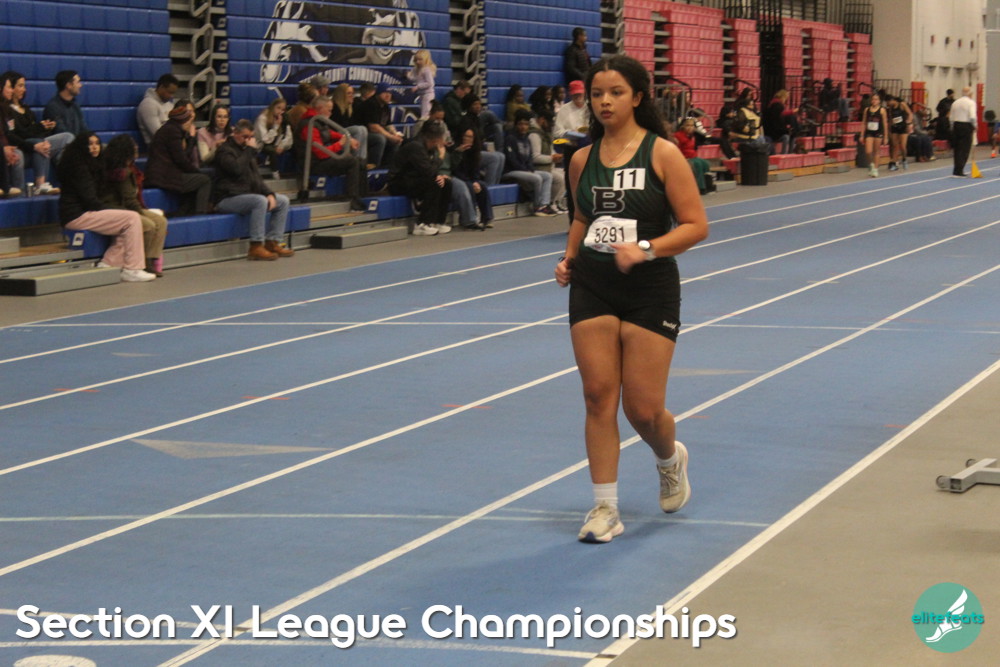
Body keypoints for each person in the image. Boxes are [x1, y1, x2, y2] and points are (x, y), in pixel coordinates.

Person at [554, 55, 708, 543]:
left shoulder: (663, 154)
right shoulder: (581, 160)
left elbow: (695, 226)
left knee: (643, 409)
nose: (604, 101)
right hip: (594, 284)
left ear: (637, 97)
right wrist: (569, 257)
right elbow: (582, 217)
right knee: (598, 395)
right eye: (598, 93)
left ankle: (669, 458)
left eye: (616, 92)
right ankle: (605, 507)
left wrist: (645, 249)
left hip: (649, 288)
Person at [57, 132, 156, 282]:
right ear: (82, 146)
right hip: (77, 215)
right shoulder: (78, 168)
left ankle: (109, 263)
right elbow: (90, 200)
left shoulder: (94, 165)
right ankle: (132, 268)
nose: (94, 147)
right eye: (90, 144)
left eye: (97, 143)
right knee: (131, 218)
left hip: (85, 212)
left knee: (127, 222)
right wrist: (117, 210)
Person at [213, 119, 294, 261]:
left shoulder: (247, 153)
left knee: (282, 201)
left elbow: (256, 178)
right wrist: (250, 150)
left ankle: (273, 241)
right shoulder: (225, 151)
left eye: (250, 137)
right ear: (235, 134)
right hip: (227, 198)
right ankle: (256, 245)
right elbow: (236, 170)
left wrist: (269, 193)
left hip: (245, 195)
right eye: (245, 137)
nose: (248, 140)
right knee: (259, 201)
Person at [101, 134, 168, 277]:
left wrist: (143, 211)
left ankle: (150, 259)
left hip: (127, 207)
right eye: (133, 146)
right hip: (117, 208)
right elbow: (129, 200)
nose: (137, 147)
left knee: (161, 221)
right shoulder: (121, 173)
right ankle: (140, 261)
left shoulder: (130, 169)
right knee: (149, 224)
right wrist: (142, 213)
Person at [1, 71, 74, 194]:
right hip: (22, 146)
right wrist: (38, 130)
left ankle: (65, 180)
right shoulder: (7, 110)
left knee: (67, 137)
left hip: (31, 145)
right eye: (20, 86)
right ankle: (35, 186)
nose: (23, 89)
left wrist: (44, 128)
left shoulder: (26, 108)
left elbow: (31, 132)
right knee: (39, 145)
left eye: (24, 86)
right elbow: (15, 134)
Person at [297, 96, 367, 210]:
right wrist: (340, 144)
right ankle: (352, 198)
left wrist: (348, 139)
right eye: (329, 110)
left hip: (321, 160)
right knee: (352, 161)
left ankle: (362, 196)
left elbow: (329, 133)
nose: (331, 113)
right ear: (320, 108)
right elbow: (321, 153)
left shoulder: (318, 121)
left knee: (361, 162)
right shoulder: (308, 125)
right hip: (313, 163)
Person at [144, 101, 212, 215]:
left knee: (195, 179)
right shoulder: (173, 131)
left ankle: (185, 212)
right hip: (163, 176)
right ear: (184, 121)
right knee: (204, 180)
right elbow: (181, 159)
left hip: (165, 174)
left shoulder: (170, 129)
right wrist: (191, 138)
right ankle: (200, 215)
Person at [388, 120, 453, 236]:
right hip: (398, 182)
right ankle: (422, 223)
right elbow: (428, 171)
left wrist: (439, 176)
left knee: (446, 183)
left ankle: (438, 221)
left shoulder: (429, 148)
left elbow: (429, 169)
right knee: (434, 183)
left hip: (415, 178)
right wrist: (441, 156)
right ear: (435, 139)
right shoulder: (415, 146)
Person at [502, 109, 556, 216]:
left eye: (526, 124)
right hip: (511, 171)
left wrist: (530, 169)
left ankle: (544, 205)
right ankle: (537, 206)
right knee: (536, 178)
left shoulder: (526, 139)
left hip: (525, 170)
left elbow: (529, 158)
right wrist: (526, 170)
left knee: (547, 176)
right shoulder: (510, 138)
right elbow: (511, 160)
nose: (523, 127)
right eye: (520, 124)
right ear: (516, 125)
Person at [446, 120, 493, 230]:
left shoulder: (474, 152)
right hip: (457, 177)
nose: (467, 139)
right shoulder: (454, 149)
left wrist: (475, 181)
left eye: (470, 137)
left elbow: (475, 170)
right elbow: (454, 169)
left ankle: (487, 218)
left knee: (482, 186)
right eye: (466, 136)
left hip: (468, 178)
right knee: (469, 186)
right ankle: (470, 218)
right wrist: (471, 182)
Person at [355, 83, 404, 168]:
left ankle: (388, 167)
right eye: (385, 93)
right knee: (380, 139)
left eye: (390, 93)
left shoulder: (385, 106)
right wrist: (390, 137)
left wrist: (395, 133)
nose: (388, 95)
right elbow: (373, 127)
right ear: (378, 93)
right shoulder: (371, 104)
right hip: (362, 134)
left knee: (396, 141)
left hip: (374, 133)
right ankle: (373, 167)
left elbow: (388, 124)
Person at [529, 108, 566, 211]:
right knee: (559, 179)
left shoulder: (545, 133)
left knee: (566, 174)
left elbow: (550, 150)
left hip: (547, 165)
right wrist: (552, 158)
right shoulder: (534, 135)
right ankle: (550, 203)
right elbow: (535, 157)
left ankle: (557, 202)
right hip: (537, 168)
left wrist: (556, 156)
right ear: (542, 120)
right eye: (549, 122)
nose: (550, 125)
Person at [329, 84, 368, 166]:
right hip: (335, 135)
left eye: (352, 93)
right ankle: (356, 161)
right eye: (349, 93)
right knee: (359, 129)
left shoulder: (348, 109)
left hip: (345, 134)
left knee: (363, 129)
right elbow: (334, 129)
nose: (352, 96)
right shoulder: (334, 108)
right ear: (341, 95)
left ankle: (362, 161)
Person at [43, 70, 90, 138]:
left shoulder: (75, 105)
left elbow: (84, 129)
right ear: (69, 85)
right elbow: (62, 133)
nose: (80, 85)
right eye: (78, 82)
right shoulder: (53, 107)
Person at [137, 74, 180, 146]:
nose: (171, 96)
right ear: (161, 87)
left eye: (173, 93)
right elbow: (158, 134)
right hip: (157, 149)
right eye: (169, 92)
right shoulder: (148, 105)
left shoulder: (169, 105)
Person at [254, 97, 294, 174]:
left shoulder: (284, 118)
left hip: (276, 143)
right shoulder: (262, 118)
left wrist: (281, 146)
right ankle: (275, 172)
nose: (280, 111)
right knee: (271, 150)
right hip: (261, 144)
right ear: (272, 107)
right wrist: (276, 126)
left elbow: (289, 136)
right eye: (278, 108)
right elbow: (265, 140)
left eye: (283, 110)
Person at [0, 76, 25, 197]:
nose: (12, 90)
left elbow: (8, 133)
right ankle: (5, 188)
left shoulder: (5, 108)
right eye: (9, 87)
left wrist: (7, 148)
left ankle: (18, 193)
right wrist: (3, 148)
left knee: (17, 154)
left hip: (4, 146)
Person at [674, 117, 712, 194]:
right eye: (688, 125)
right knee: (697, 164)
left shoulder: (692, 136)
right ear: (683, 126)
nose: (690, 127)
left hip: (693, 157)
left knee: (705, 163)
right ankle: (700, 187)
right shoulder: (677, 136)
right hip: (684, 158)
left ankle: (708, 185)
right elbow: (676, 150)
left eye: (692, 125)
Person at [948, 86, 977, 177]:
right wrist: (975, 126)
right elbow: (972, 117)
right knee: (964, 149)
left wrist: (952, 127)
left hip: (956, 125)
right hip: (966, 126)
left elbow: (951, 117)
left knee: (957, 149)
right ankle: (960, 170)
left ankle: (956, 169)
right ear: (970, 93)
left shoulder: (955, 102)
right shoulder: (971, 103)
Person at [861, 92, 888, 177]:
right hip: (869, 132)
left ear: (879, 101)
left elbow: (885, 123)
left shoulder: (882, 110)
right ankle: (871, 164)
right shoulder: (867, 110)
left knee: (876, 151)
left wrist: (886, 136)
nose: (874, 101)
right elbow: (864, 122)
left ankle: (875, 169)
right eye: (873, 99)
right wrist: (862, 135)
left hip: (878, 132)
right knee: (868, 151)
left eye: (876, 99)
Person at [407, 49, 437, 119]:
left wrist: (418, 87)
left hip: (428, 94)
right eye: (416, 60)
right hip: (422, 94)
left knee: (425, 114)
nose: (418, 62)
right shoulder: (417, 69)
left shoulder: (426, 70)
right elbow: (416, 78)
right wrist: (408, 76)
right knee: (424, 112)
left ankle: (426, 124)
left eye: (420, 60)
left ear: (425, 60)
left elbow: (430, 83)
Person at [885, 96, 912, 171]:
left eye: (888, 102)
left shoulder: (902, 104)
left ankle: (904, 159)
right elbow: (891, 118)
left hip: (903, 127)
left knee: (903, 146)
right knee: (895, 145)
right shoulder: (891, 108)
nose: (888, 104)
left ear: (892, 100)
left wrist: (909, 122)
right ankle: (894, 162)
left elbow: (910, 114)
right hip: (895, 128)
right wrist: (889, 129)